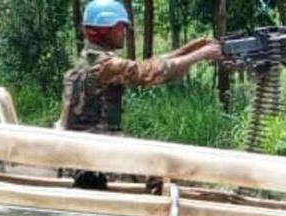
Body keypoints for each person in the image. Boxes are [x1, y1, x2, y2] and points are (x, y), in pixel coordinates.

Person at [59, 0, 222, 188]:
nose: (124, 32)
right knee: (162, 166)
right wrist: (201, 54)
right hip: (97, 144)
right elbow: (151, 72)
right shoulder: (106, 65)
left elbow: (147, 65)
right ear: (105, 30)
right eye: (120, 27)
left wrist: (188, 49)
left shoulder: (90, 57)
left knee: (151, 158)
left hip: (85, 141)